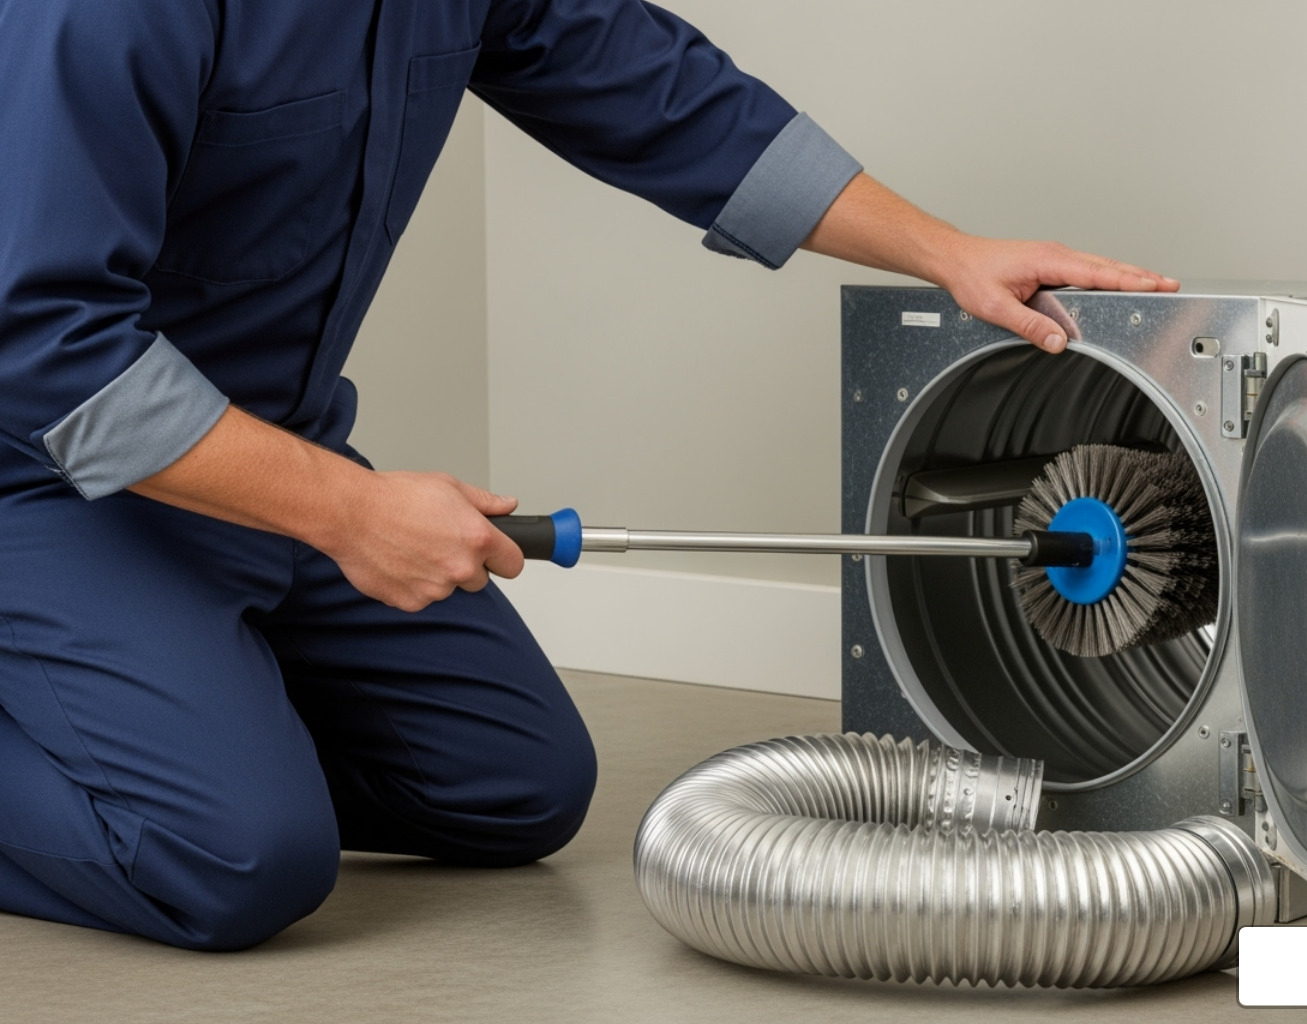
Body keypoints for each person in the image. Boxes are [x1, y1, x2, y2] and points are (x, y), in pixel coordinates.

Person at [0, 0, 1178, 950]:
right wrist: (352, 510)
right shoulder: (104, 12)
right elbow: (43, 350)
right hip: (50, 482)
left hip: (264, 456)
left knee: (514, 784)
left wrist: (947, 253)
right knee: (240, 857)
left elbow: (661, 94)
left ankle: (164, 705)